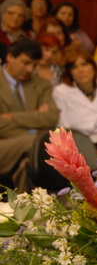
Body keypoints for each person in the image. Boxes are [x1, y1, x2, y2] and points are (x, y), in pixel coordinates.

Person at [0, 38, 59, 190]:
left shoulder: (42, 84)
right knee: (41, 142)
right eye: (25, 63)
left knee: (28, 164)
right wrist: (35, 122)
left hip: (28, 149)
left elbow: (51, 117)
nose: (29, 69)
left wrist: (12, 118)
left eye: (34, 65)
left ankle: (27, 205)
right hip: (3, 146)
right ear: (10, 57)